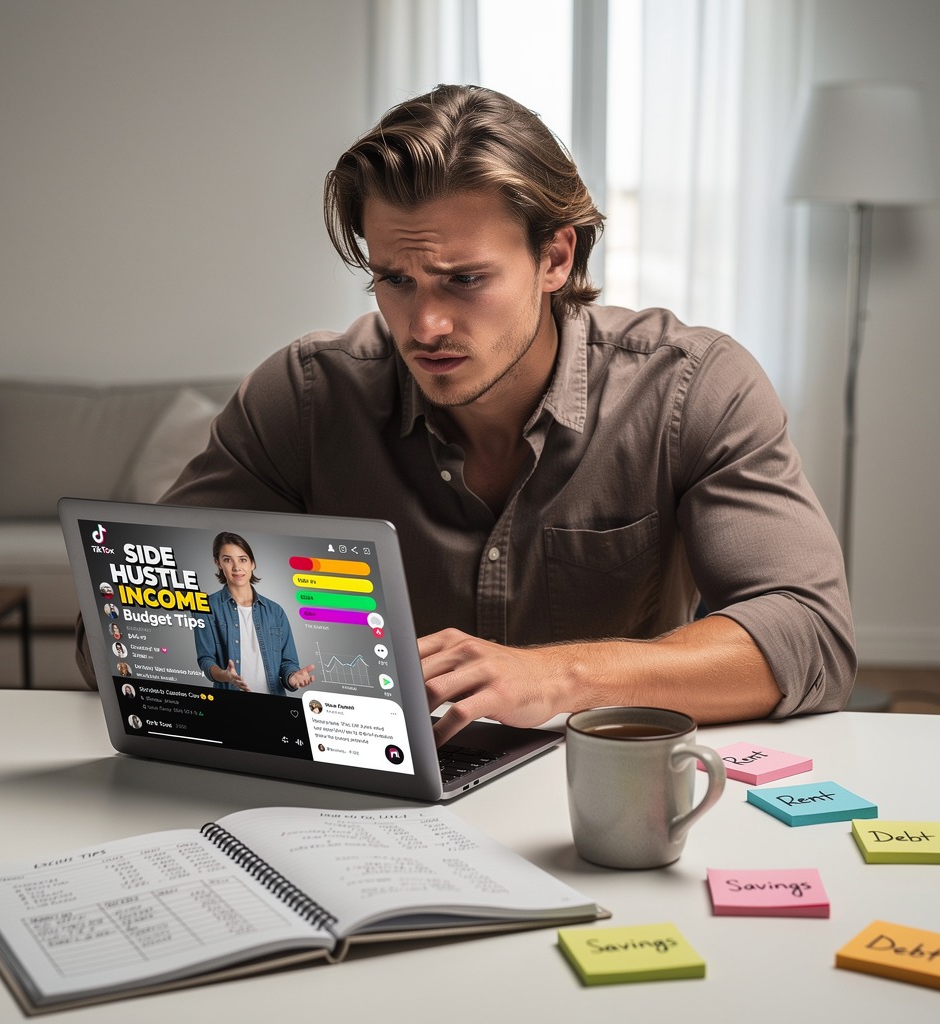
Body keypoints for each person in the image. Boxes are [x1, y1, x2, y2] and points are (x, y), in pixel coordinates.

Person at [77, 85, 854, 743]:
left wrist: (558, 677)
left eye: (464, 279)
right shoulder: (305, 397)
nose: (425, 327)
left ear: (556, 258)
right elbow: (114, 632)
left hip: (595, 793)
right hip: (368, 807)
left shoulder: (693, 388)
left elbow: (809, 633)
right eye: (395, 280)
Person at [195, 531, 316, 695]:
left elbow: (288, 663)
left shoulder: (276, 612)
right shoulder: (205, 607)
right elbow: (206, 660)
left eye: (242, 559)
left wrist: (292, 677)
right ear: (218, 563)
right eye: (227, 560)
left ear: (252, 563)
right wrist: (226, 675)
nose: (237, 567)